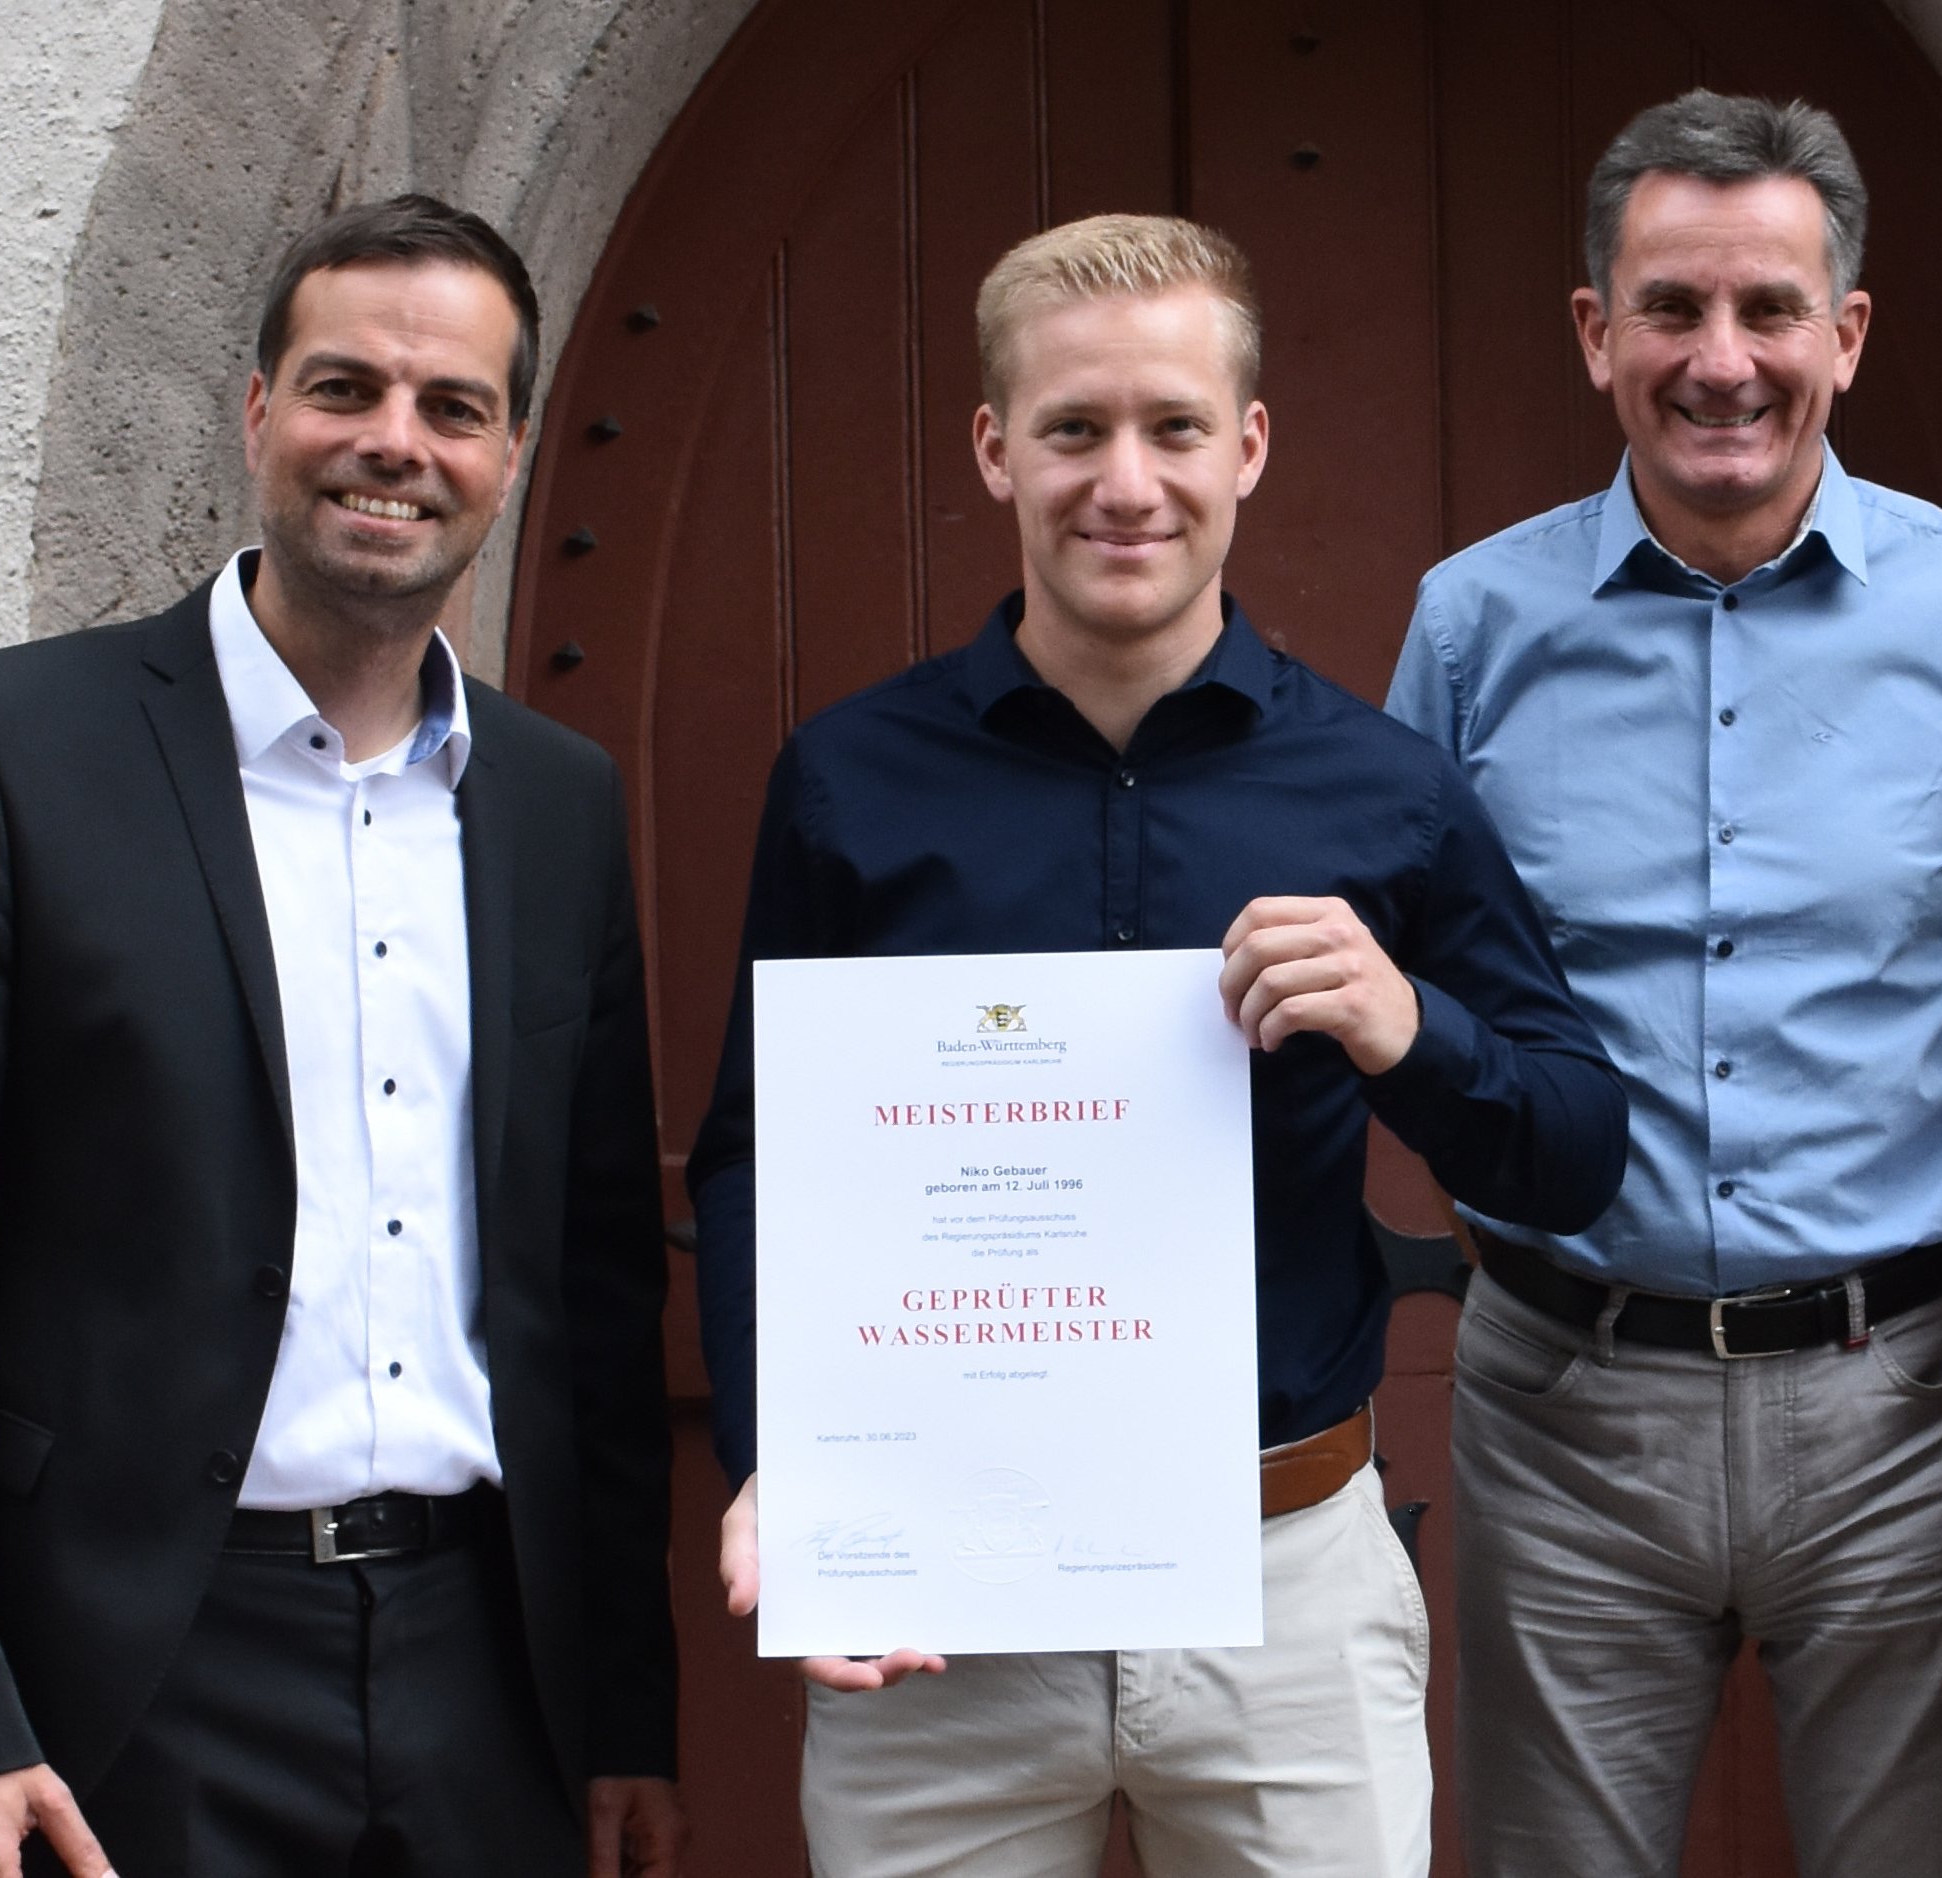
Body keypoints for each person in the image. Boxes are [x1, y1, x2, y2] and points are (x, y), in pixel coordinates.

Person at [685, 212, 1626, 1878]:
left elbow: (1573, 1146)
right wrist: (784, 1466)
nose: (1127, 483)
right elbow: (758, 1159)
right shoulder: (849, 784)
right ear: (996, 449)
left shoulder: (1386, 791)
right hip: (942, 1594)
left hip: (1285, 1585)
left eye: (1174, 427)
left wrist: (1409, 1030)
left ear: (1247, 446)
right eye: (1075, 429)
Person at [0, 195, 684, 1878]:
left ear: (510, 453)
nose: (395, 442)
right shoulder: (0, 748)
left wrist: (625, 1710)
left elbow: (594, 1289)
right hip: (131, 1676)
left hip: (491, 1676)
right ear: (260, 408)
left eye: (454, 406)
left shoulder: (559, 802)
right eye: (346, 387)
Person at [1385, 90, 1942, 1876]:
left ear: (1845, 335)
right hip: (1567, 1406)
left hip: (1906, 1402)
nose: (1721, 361)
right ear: (1597, 332)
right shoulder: (1473, 627)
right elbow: (1418, 993)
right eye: (1672, 307)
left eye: (1769, 309)